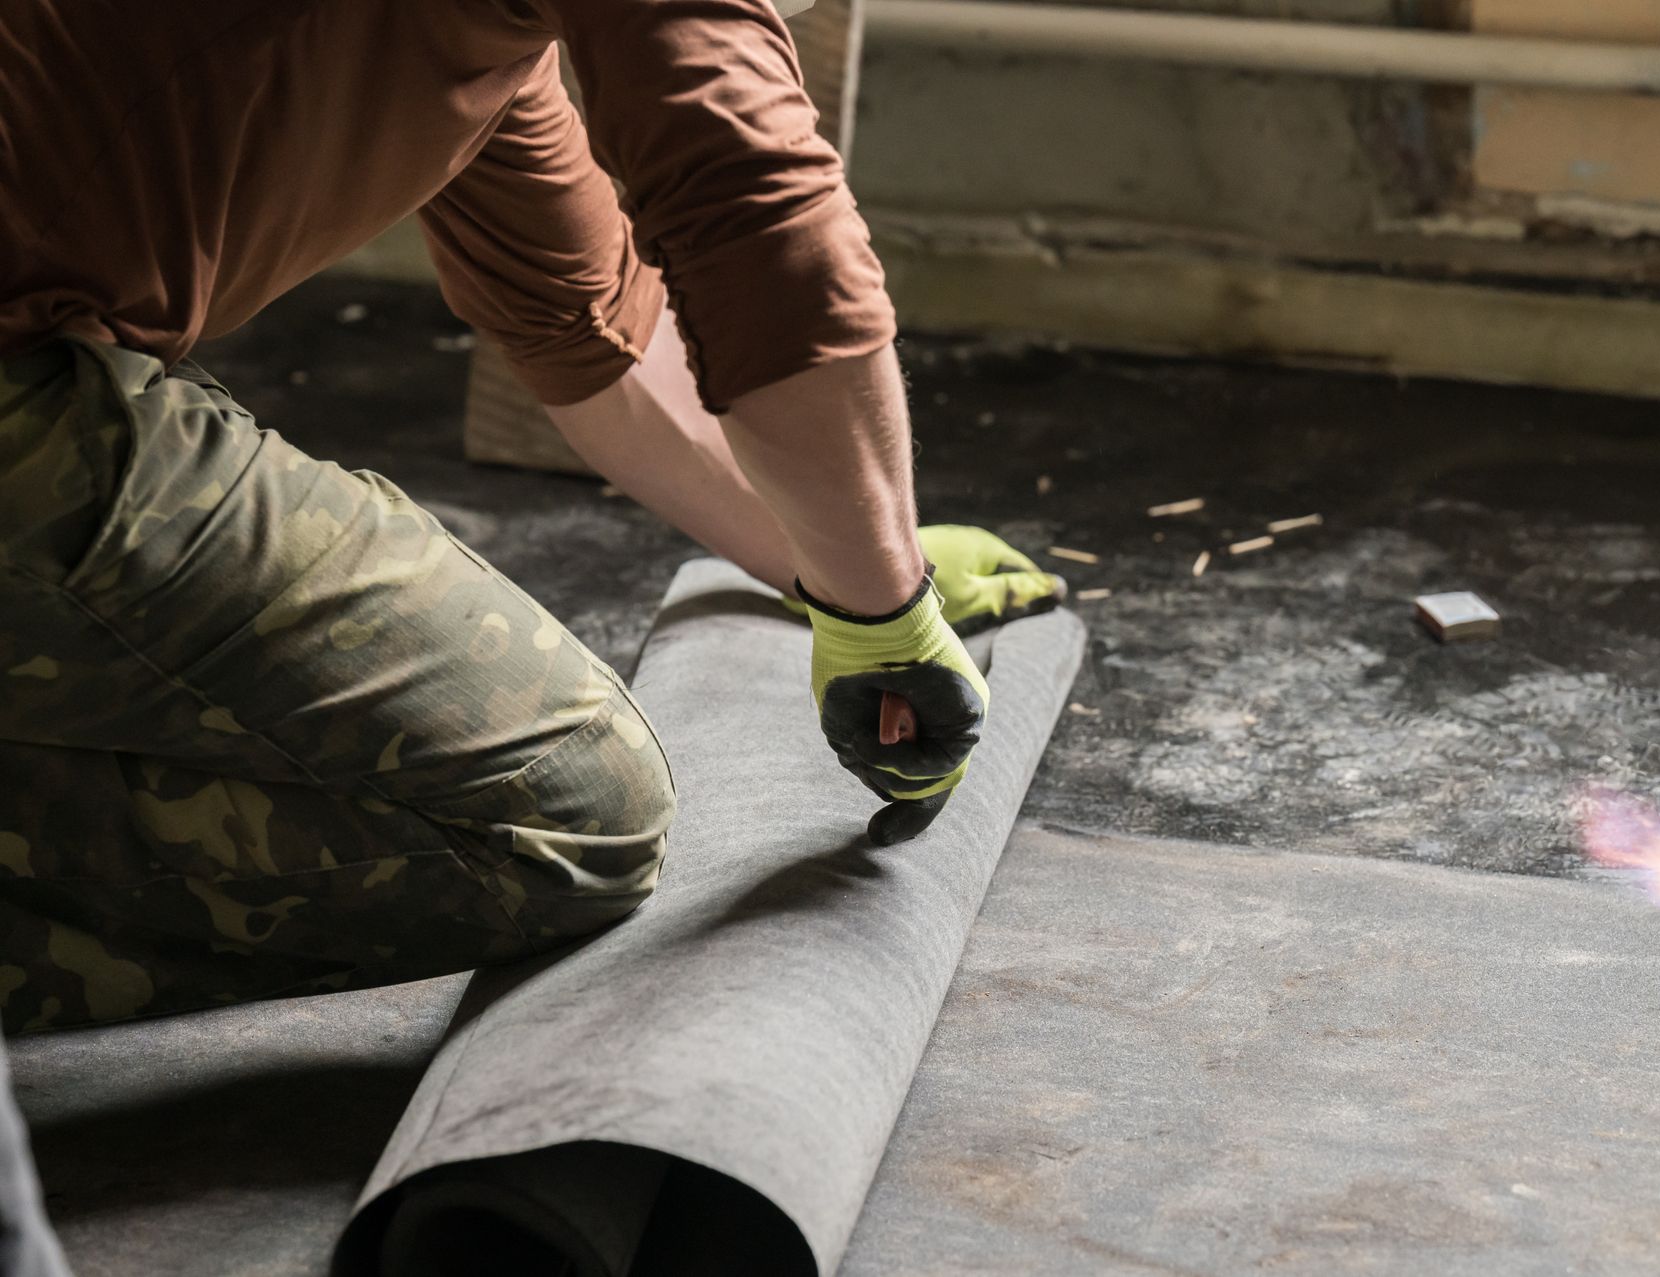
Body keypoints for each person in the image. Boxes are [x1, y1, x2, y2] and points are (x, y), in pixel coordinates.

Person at [0, 0, 1062, 1034]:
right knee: (567, 812)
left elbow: (588, 332)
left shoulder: (475, 47)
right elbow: (766, 232)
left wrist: (838, 561)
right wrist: (880, 605)